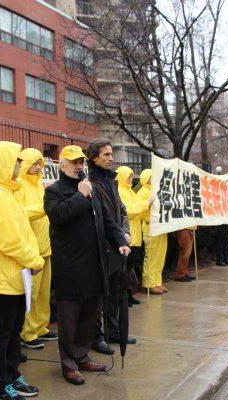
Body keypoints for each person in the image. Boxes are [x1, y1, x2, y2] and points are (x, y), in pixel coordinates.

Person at [44, 145, 130, 385]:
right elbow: (59, 216)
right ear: (62, 165)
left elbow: (108, 220)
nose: (79, 166)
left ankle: (82, 355)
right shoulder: (54, 191)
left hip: (94, 265)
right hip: (70, 268)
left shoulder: (91, 190)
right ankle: (68, 364)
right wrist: (80, 196)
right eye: (73, 162)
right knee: (69, 319)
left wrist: (120, 240)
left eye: (81, 162)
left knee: (89, 317)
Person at [0, 141, 44, 400]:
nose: (20, 164)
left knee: (12, 330)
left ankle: (12, 375)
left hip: (14, 276)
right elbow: (10, 240)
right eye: (16, 160)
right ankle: (0, 384)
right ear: (4, 163)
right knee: (1, 333)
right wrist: (35, 260)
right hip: (1, 278)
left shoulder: (8, 194)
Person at [85, 139, 133, 353]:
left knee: (115, 291)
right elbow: (99, 217)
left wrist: (125, 233)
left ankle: (113, 332)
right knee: (99, 295)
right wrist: (116, 235)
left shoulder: (111, 181)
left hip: (115, 244)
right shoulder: (90, 184)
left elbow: (121, 210)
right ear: (94, 158)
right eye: (106, 155)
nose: (111, 158)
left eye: (111, 154)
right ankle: (97, 336)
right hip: (100, 245)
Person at [14, 148, 57, 350]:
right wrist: (44, 209)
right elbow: (20, 213)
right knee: (31, 293)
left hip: (45, 247)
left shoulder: (39, 185)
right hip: (31, 249)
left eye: (40, 163)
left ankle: (41, 327)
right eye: (34, 163)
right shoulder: (19, 186)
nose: (38, 167)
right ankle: (28, 332)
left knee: (43, 292)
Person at [115, 166, 152, 303]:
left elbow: (138, 211)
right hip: (127, 236)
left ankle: (128, 295)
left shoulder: (130, 191)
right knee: (124, 269)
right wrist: (146, 203)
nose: (131, 179)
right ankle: (122, 297)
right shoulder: (119, 191)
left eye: (131, 176)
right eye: (128, 176)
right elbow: (129, 210)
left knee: (130, 268)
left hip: (135, 236)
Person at [137, 169, 168, 294]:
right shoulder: (143, 192)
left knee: (160, 257)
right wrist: (148, 219)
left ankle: (157, 282)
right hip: (150, 228)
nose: (153, 178)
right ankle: (149, 284)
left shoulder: (157, 190)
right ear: (145, 178)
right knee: (151, 257)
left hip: (160, 228)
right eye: (151, 176)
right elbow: (140, 210)